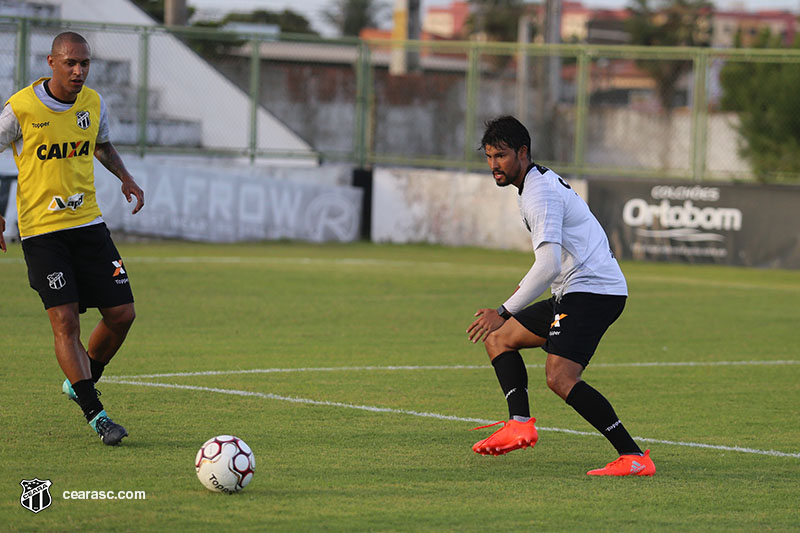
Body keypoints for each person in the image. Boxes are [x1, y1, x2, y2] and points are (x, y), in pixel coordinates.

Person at [466, 116, 655, 476]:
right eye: (489, 156)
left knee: (560, 377)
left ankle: (633, 457)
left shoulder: (540, 194)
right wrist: (503, 319)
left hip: (593, 290)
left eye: (501, 156)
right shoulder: (533, 184)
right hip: (575, 289)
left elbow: (548, 263)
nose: (494, 165)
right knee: (498, 339)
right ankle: (519, 422)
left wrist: (504, 309)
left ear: (523, 152)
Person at [0, 32, 144, 445]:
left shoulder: (93, 103)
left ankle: (80, 379)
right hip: (43, 232)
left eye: (84, 64)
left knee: (122, 315)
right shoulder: (21, 108)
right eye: (70, 63)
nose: (79, 71)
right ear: (52, 62)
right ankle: (96, 414)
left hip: (88, 225)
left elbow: (100, 144)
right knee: (65, 322)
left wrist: (126, 177)